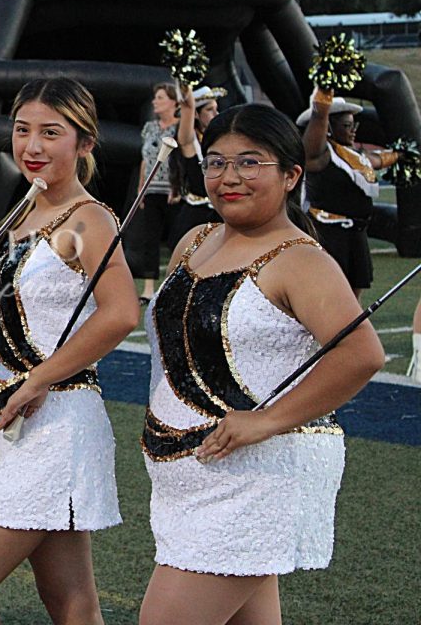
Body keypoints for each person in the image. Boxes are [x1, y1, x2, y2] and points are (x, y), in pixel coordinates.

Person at [140, 104, 383, 625]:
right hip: (190, 473)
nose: (229, 178)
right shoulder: (195, 240)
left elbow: (362, 353)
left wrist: (266, 420)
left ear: (292, 175)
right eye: (216, 163)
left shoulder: (301, 260)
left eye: (250, 163)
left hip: (257, 477)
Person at [0, 78, 138, 625]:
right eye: (23, 130)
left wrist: (39, 378)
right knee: (68, 599)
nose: (33, 146)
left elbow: (121, 313)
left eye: (52, 133)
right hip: (18, 423)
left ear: (84, 143)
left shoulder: (89, 219)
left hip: (58, 421)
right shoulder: (21, 213)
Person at [300, 89, 398, 300]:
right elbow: (318, 117)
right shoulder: (318, 155)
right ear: (328, 129)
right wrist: (324, 95)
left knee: (354, 299)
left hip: (355, 235)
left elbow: (377, 159)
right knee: (330, 297)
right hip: (329, 234)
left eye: (354, 125)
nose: (353, 130)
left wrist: (404, 154)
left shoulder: (353, 157)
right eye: (346, 125)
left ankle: (352, 332)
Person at [124, 81, 180, 302]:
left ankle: (173, 286)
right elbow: (145, 160)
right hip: (151, 189)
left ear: (174, 102)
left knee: (176, 239)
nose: (155, 102)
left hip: (174, 191)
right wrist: (141, 189)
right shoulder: (150, 127)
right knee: (150, 239)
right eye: (155, 97)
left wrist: (177, 186)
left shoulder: (182, 128)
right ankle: (148, 289)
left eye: (161, 98)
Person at [167, 84, 225, 250]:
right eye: (210, 110)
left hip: (219, 213)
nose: (216, 114)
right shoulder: (190, 141)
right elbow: (187, 110)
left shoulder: (220, 141)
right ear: (197, 115)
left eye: (216, 109)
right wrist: (185, 80)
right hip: (196, 216)